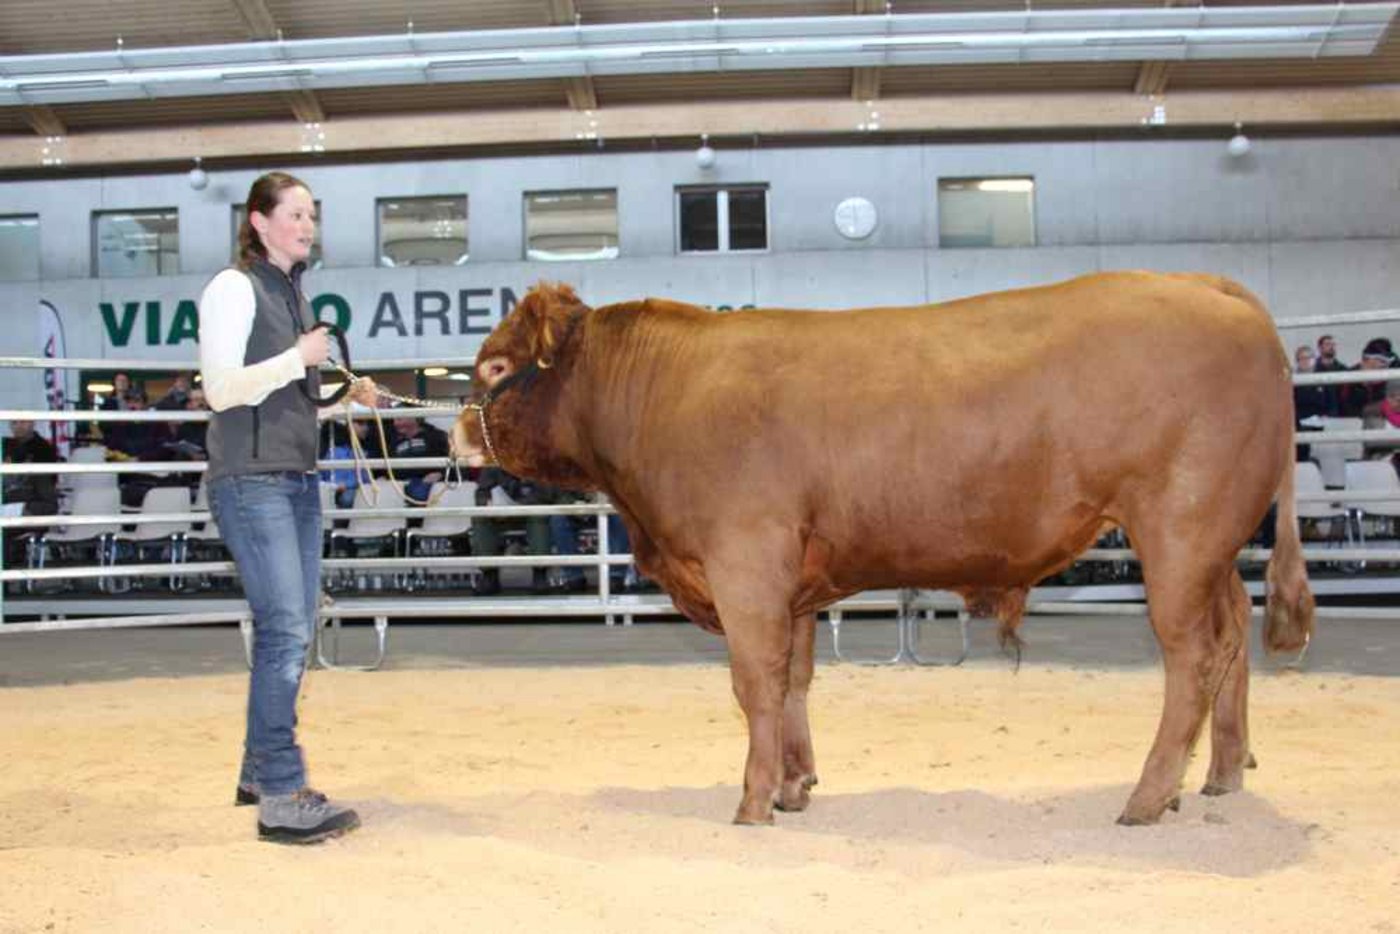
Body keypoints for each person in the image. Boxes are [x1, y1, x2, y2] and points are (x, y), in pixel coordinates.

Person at [199, 170, 377, 845]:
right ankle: (280, 794)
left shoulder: (291, 294)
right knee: (285, 632)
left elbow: (283, 403)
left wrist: (338, 401)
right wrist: (299, 356)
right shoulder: (233, 288)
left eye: (312, 215)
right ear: (259, 221)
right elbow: (221, 389)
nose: (307, 225)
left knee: (292, 631)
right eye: (295, 214)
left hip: (292, 478)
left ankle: (257, 770)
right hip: (252, 482)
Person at [471, 466, 556, 595]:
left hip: (530, 510)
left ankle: (540, 573)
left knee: (539, 516)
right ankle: (489, 574)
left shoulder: (537, 459)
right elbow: (481, 492)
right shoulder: (493, 461)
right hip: (500, 514)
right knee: (481, 517)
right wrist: (488, 504)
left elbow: (547, 493)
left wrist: (518, 506)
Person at [2, 420, 61, 569]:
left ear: (33, 423)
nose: (19, 426)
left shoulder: (43, 452)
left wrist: (25, 508)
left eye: (23, 422)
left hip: (30, 508)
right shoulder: (7, 446)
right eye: (14, 423)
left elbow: (48, 501)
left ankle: (7, 577)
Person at [388, 412, 449, 504]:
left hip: (426, 481)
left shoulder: (435, 436)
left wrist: (441, 474)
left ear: (413, 418)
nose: (396, 424)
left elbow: (449, 460)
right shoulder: (393, 441)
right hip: (401, 482)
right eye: (394, 420)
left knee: (418, 493)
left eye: (399, 419)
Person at [1292, 344, 1334, 461]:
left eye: (1308, 358)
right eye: (1301, 358)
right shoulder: (1292, 379)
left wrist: (1328, 417)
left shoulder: (1324, 377)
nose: (1305, 361)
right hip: (1299, 421)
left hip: (1321, 420)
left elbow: (1332, 402)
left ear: (1314, 359)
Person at [1339, 338, 1395, 418]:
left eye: (1388, 362)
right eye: (1381, 360)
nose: (1385, 365)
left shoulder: (1389, 381)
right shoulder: (1346, 379)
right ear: (1366, 359)